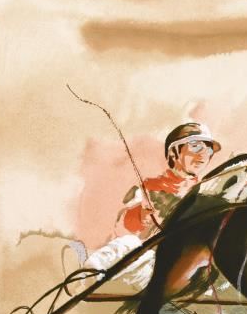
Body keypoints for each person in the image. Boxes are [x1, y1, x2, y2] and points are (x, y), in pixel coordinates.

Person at [82, 122, 220, 288]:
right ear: (174, 152)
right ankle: (88, 275)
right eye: (196, 146)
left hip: (186, 270)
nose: (203, 154)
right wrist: (140, 216)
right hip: (149, 265)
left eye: (209, 149)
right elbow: (121, 229)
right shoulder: (149, 187)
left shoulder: (208, 192)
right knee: (129, 243)